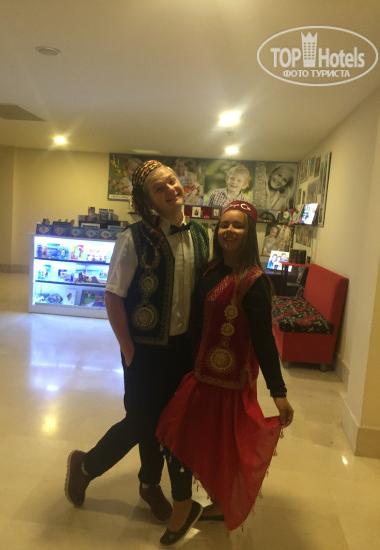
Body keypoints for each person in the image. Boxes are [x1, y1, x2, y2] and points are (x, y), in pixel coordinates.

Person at [64, 161, 209, 530]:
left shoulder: (200, 234)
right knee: (142, 421)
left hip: (185, 349)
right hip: (144, 349)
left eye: (172, 182)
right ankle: (85, 466)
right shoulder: (133, 238)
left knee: (170, 422)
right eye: (160, 188)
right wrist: (128, 349)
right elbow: (113, 296)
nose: (170, 190)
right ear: (148, 200)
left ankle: (148, 485)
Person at [156, 200, 294, 535]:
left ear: (250, 233)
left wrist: (278, 392)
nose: (229, 231)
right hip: (200, 375)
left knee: (211, 444)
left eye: (238, 225)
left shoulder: (254, 282)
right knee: (177, 434)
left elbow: (264, 341)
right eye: (224, 225)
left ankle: (204, 506)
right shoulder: (210, 271)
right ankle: (191, 504)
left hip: (230, 384)